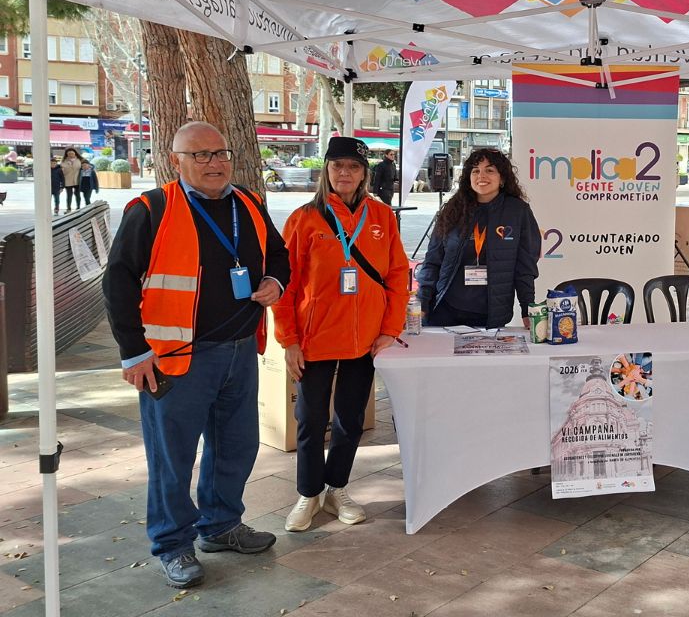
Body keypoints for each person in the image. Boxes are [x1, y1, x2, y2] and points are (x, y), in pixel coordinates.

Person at [102, 121, 290, 589]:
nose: (214, 163)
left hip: (240, 351)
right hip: (176, 359)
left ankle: (221, 525)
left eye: (221, 153)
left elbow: (279, 255)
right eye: (200, 155)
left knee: (236, 446)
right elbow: (118, 281)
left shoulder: (248, 203)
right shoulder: (152, 209)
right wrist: (133, 352)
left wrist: (275, 282)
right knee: (173, 457)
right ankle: (172, 545)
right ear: (176, 161)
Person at [273, 137, 411, 532]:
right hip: (314, 338)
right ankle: (308, 493)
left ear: (364, 173)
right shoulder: (304, 219)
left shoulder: (381, 217)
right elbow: (286, 285)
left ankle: (336, 488)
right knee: (310, 419)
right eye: (338, 166)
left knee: (349, 419)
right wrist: (289, 340)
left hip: (365, 340)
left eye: (353, 167)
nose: (345, 174)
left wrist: (389, 330)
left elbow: (398, 276)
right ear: (326, 171)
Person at [419, 148, 541, 329]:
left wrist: (527, 308)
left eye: (489, 170)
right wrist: (422, 301)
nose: (481, 176)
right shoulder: (453, 209)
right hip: (445, 309)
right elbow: (432, 261)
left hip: (491, 314)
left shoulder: (517, 212)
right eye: (475, 170)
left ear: (502, 178)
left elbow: (525, 267)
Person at [61, 146, 82, 212]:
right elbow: (61, 171)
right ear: (67, 154)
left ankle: (78, 207)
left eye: (72, 153)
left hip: (77, 180)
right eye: (69, 154)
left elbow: (88, 165)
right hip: (68, 181)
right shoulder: (63, 161)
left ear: (75, 153)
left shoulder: (80, 160)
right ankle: (68, 208)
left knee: (77, 194)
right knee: (69, 195)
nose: (71, 155)